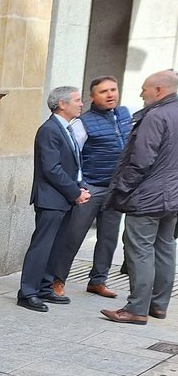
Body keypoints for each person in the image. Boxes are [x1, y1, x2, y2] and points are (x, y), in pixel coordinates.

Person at [100, 68, 178, 324]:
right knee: (165, 247)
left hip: (148, 197)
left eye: (144, 89)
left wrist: (122, 188)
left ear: (159, 90)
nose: (141, 93)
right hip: (172, 196)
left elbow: (141, 160)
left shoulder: (155, 116)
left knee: (140, 250)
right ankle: (158, 305)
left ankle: (136, 308)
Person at [49, 76, 133, 299]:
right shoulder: (82, 123)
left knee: (108, 237)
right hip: (91, 187)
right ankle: (57, 280)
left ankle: (98, 281)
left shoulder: (125, 115)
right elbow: (73, 156)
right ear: (92, 97)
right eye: (103, 91)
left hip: (116, 188)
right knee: (73, 236)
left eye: (113, 89)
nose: (110, 95)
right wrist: (80, 187)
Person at [16, 86, 90, 312]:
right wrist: (75, 192)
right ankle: (27, 292)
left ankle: (45, 287)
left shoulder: (66, 128)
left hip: (64, 197)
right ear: (62, 104)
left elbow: (71, 163)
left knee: (56, 246)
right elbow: (52, 168)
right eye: (77, 100)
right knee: (42, 245)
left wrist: (80, 186)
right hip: (51, 199)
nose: (81, 104)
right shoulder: (49, 130)